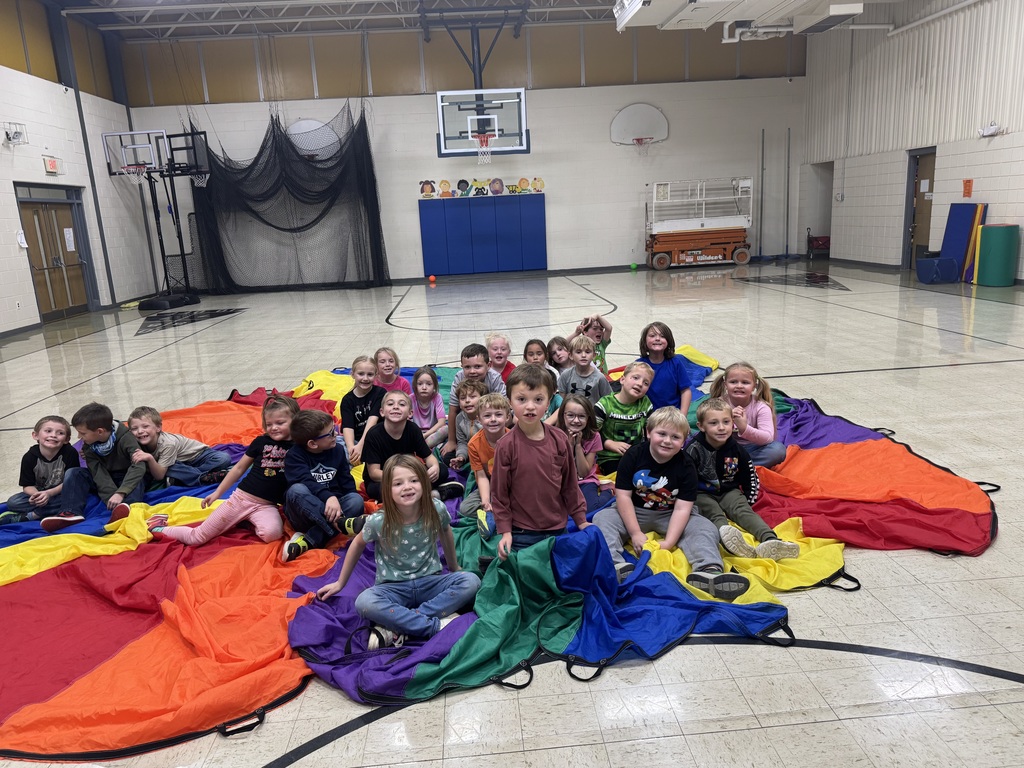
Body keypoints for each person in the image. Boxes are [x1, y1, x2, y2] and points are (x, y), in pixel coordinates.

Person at [315, 455, 481, 649]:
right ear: (387, 490)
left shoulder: (436, 509)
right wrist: (340, 583)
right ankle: (432, 625)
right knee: (365, 602)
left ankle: (402, 623)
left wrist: (454, 566)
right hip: (393, 588)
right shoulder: (379, 520)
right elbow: (357, 544)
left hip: (430, 581)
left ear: (424, 483)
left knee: (471, 581)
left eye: (414, 480)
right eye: (398, 483)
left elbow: (446, 531)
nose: (407, 487)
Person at [593, 406, 750, 599]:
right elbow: (623, 496)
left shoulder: (686, 464)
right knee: (602, 519)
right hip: (633, 511)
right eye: (662, 434)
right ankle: (615, 565)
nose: (667, 441)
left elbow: (683, 508)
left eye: (675, 437)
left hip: (670, 513)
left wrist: (669, 542)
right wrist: (634, 533)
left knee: (704, 527)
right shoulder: (633, 455)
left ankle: (709, 571)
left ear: (684, 441)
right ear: (649, 432)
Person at [146, 395, 300, 546]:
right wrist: (217, 493)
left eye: (280, 423)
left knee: (272, 535)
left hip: (268, 505)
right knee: (196, 538)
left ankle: (245, 521)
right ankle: (158, 526)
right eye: (269, 424)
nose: (273, 428)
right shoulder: (261, 442)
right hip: (241, 499)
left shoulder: (300, 447)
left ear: (295, 421)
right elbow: (238, 468)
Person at [491, 364, 590, 560]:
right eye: (521, 399)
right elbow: (499, 493)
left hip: (557, 530)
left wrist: (581, 520)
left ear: (549, 403)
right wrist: (505, 531)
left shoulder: (559, 439)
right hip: (522, 532)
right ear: (509, 401)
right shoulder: (506, 446)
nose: (530, 406)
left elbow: (570, 484)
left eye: (538, 399)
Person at [685, 398, 799, 560]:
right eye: (713, 423)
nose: (721, 428)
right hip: (701, 493)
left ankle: (771, 540)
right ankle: (730, 543)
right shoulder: (693, 449)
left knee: (744, 512)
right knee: (714, 513)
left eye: (726, 422)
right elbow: (685, 476)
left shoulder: (737, 449)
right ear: (701, 426)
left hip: (729, 490)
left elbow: (749, 475)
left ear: (733, 423)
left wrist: (746, 499)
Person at [281, 410, 367, 562]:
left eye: (334, 429)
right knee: (296, 490)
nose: (336, 434)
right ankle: (339, 524)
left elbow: (346, 482)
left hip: (333, 509)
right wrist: (329, 497)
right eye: (331, 433)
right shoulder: (294, 455)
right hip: (305, 512)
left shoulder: (338, 450)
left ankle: (308, 541)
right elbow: (306, 481)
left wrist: (345, 501)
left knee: (356, 500)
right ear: (312, 444)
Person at [49, 403, 147, 532]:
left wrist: (121, 492)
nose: (79, 437)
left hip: (126, 476)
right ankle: (70, 512)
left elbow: (139, 466)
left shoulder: (126, 438)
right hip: (106, 477)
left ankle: (128, 507)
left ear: (100, 431)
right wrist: (111, 498)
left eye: (82, 433)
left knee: (138, 479)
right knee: (74, 472)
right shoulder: (88, 445)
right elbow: (98, 473)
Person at [362, 391, 464, 502]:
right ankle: (434, 494)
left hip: (410, 475)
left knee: (441, 470)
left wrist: (434, 467)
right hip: (386, 478)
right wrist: (404, 478)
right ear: (382, 412)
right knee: (379, 490)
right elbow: (374, 473)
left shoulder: (413, 429)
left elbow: (428, 456)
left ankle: (420, 495)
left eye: (401, 404)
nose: (395, 407)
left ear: (410, 413)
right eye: (390, 404)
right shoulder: (373, 434)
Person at [1, 416, 81, 527]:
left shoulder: (70, 453)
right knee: (13, 502)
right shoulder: (29, 457)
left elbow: (73, 481)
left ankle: (33, 515)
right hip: (40, 493)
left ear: (67, 439)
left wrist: (49, 493)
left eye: (60, 433)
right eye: (48, 431)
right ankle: (52, 510)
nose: (53, 435)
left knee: (79, 496)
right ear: (36, 435)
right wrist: (38, 496)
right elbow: (27, 485)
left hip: (61, 492)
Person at [127, 406, 233, 487]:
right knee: (168, 466)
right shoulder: (135, 442)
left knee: (224, 458)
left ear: (158, 427)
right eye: (134, 429)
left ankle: (187, 476)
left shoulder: (168, 443)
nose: (140, 431)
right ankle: (196, 476)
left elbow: (159, 476)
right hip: (176, 463)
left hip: (199, 456)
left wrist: (149, 459)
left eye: (145, 426)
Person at [708, 361, 787, 468]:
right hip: (725, 447)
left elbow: (768, 438)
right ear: (725, 384)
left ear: (754, 386)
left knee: (778, 450)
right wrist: (727, 420)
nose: (739, 386)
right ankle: (739, 467)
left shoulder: (761, 407)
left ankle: (734, 467)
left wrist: (744, 428)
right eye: (733, 382)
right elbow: (709, 432)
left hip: (753, 448)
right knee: (699, 446)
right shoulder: (718, 404)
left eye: (745, 382)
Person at [441, 343, 506, 458]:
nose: (472, 371)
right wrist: (451, 440)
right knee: (448, 455)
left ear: (489, 365)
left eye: (477, 366)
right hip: (468, 421)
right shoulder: (459, 377)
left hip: (490, 419)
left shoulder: (494, 378)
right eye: (467, 367)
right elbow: (453, 409)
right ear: (462, 366)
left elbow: (504, 409)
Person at [556, 395, 614, 514]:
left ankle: (607, 490)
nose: (576, 421)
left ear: (588, 418)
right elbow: (560, 470)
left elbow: (584, 472)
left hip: (585, 481)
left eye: (581, 416)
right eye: (571, 415)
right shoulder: (555, 434)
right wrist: (569, 445)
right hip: (561, 481)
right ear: (563, 415)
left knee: (592, 509)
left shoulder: (594, 436)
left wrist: (577, 446)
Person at [594, 361, 655, 474]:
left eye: (646, 383)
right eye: (635, 378)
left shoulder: (645, 404)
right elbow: (590, 433)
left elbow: (650, 432)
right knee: (623, 476)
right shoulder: (605, 404)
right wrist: (608, 443)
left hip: (636, 454)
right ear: (622, 380)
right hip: (610, 457)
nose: (640, 384)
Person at [460, 392, 510, 522]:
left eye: (498, 415)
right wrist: (486, 501)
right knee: (465, 508)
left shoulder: (514, 440)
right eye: (487, 416)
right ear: (479, 419)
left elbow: (520, 475)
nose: (493, 419)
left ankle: (497, 513)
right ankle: (492, 513)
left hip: (512, 485)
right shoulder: (474, 444)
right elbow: (481, 476)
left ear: (507, 417)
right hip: (491, 484)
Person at [638, 322, 693, 413]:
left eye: (662, 336)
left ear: (669, 341)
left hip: (672, 415)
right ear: (644, 341)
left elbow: (686, 391)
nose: (657, 339)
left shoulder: (676, 363)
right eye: (652, 336)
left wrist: (683, 415)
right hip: (647, 416)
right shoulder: (639, 365)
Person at [341, 355, 385, 466]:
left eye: (370, 374)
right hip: (356, 441)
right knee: (337, 447)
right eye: (361, 374)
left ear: (376, 375)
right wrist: (352, 449)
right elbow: (347, 427)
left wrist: (361, 446)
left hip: (376, 439)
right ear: (352, 374)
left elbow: (372, 421)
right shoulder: (347, 400)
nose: (365, 378)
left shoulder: (380, 393)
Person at [442, 378, 486, 469]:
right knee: (447, 458)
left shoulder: (486, 417)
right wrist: (461, 456)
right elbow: (462, 442)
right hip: (469, 450)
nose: (467, 400)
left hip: (485, 451)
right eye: (462, 398)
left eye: (472, 397)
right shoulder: (459, 418)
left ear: (482, 399)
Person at [556, 335, 611, 406]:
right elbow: (561, 400)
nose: (583, 355)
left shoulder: (600, 378)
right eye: (578, 352)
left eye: (588, 352)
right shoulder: (565, 375)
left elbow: (608, 400)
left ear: (594, 355)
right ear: (571, 355)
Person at [411, 367, 448, 450]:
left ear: (434, 385)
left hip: (432, 432)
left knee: (446, 429)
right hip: (416, 433)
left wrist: (425, 435)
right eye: (420, 384)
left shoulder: (437, 397)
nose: (424, 387)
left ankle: (420, 448)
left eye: (428, 384)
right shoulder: (411, 399)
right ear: (415, 385)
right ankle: (426, 448)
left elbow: (441, 422)